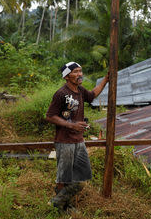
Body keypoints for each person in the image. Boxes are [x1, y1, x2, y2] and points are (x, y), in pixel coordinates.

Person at [46, 61, 109, 211]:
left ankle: (58, 202)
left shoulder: (80, 90)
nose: (79, 74)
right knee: (64, 177)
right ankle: (61, 206)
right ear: (67, 76)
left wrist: (106, 79)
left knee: (82, 176)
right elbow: (50, 116)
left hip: (78, 140)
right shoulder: (61, 94)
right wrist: (71, 125)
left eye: (80, 71)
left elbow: (93, 95)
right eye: (75, 72)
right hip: (64, 141)